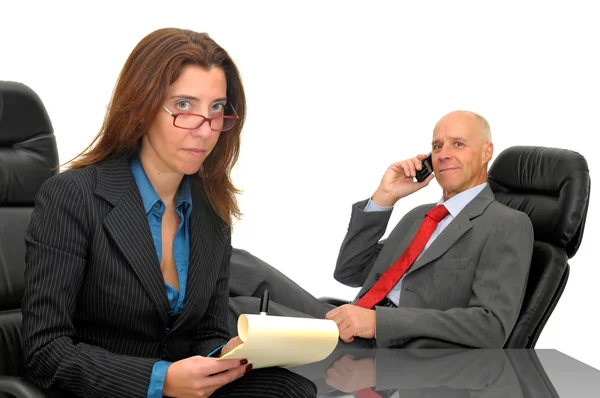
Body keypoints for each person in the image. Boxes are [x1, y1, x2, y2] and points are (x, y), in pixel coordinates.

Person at [21, 28, 316, 398]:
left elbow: (207, 330)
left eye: (216, 109)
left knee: (291, 388)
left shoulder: (210, 208)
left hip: (186, 390)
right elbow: (44, 352)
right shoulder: (73, 196)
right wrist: (160, 380)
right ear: (142, 108)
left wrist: (223, 355)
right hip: (109, 389)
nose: (204, 130)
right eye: (183, 106)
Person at [234, 110, 534, 350]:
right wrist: (384, 197)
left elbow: (490, 327)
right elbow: (350, 271)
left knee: (242, 309)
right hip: (351, 324)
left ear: (486, 152)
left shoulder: (506, 224)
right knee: (235, 262)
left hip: (390, 348)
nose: (443, 154)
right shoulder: (421, 216)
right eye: (437, 146)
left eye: (458, 144)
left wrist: (379, 322)